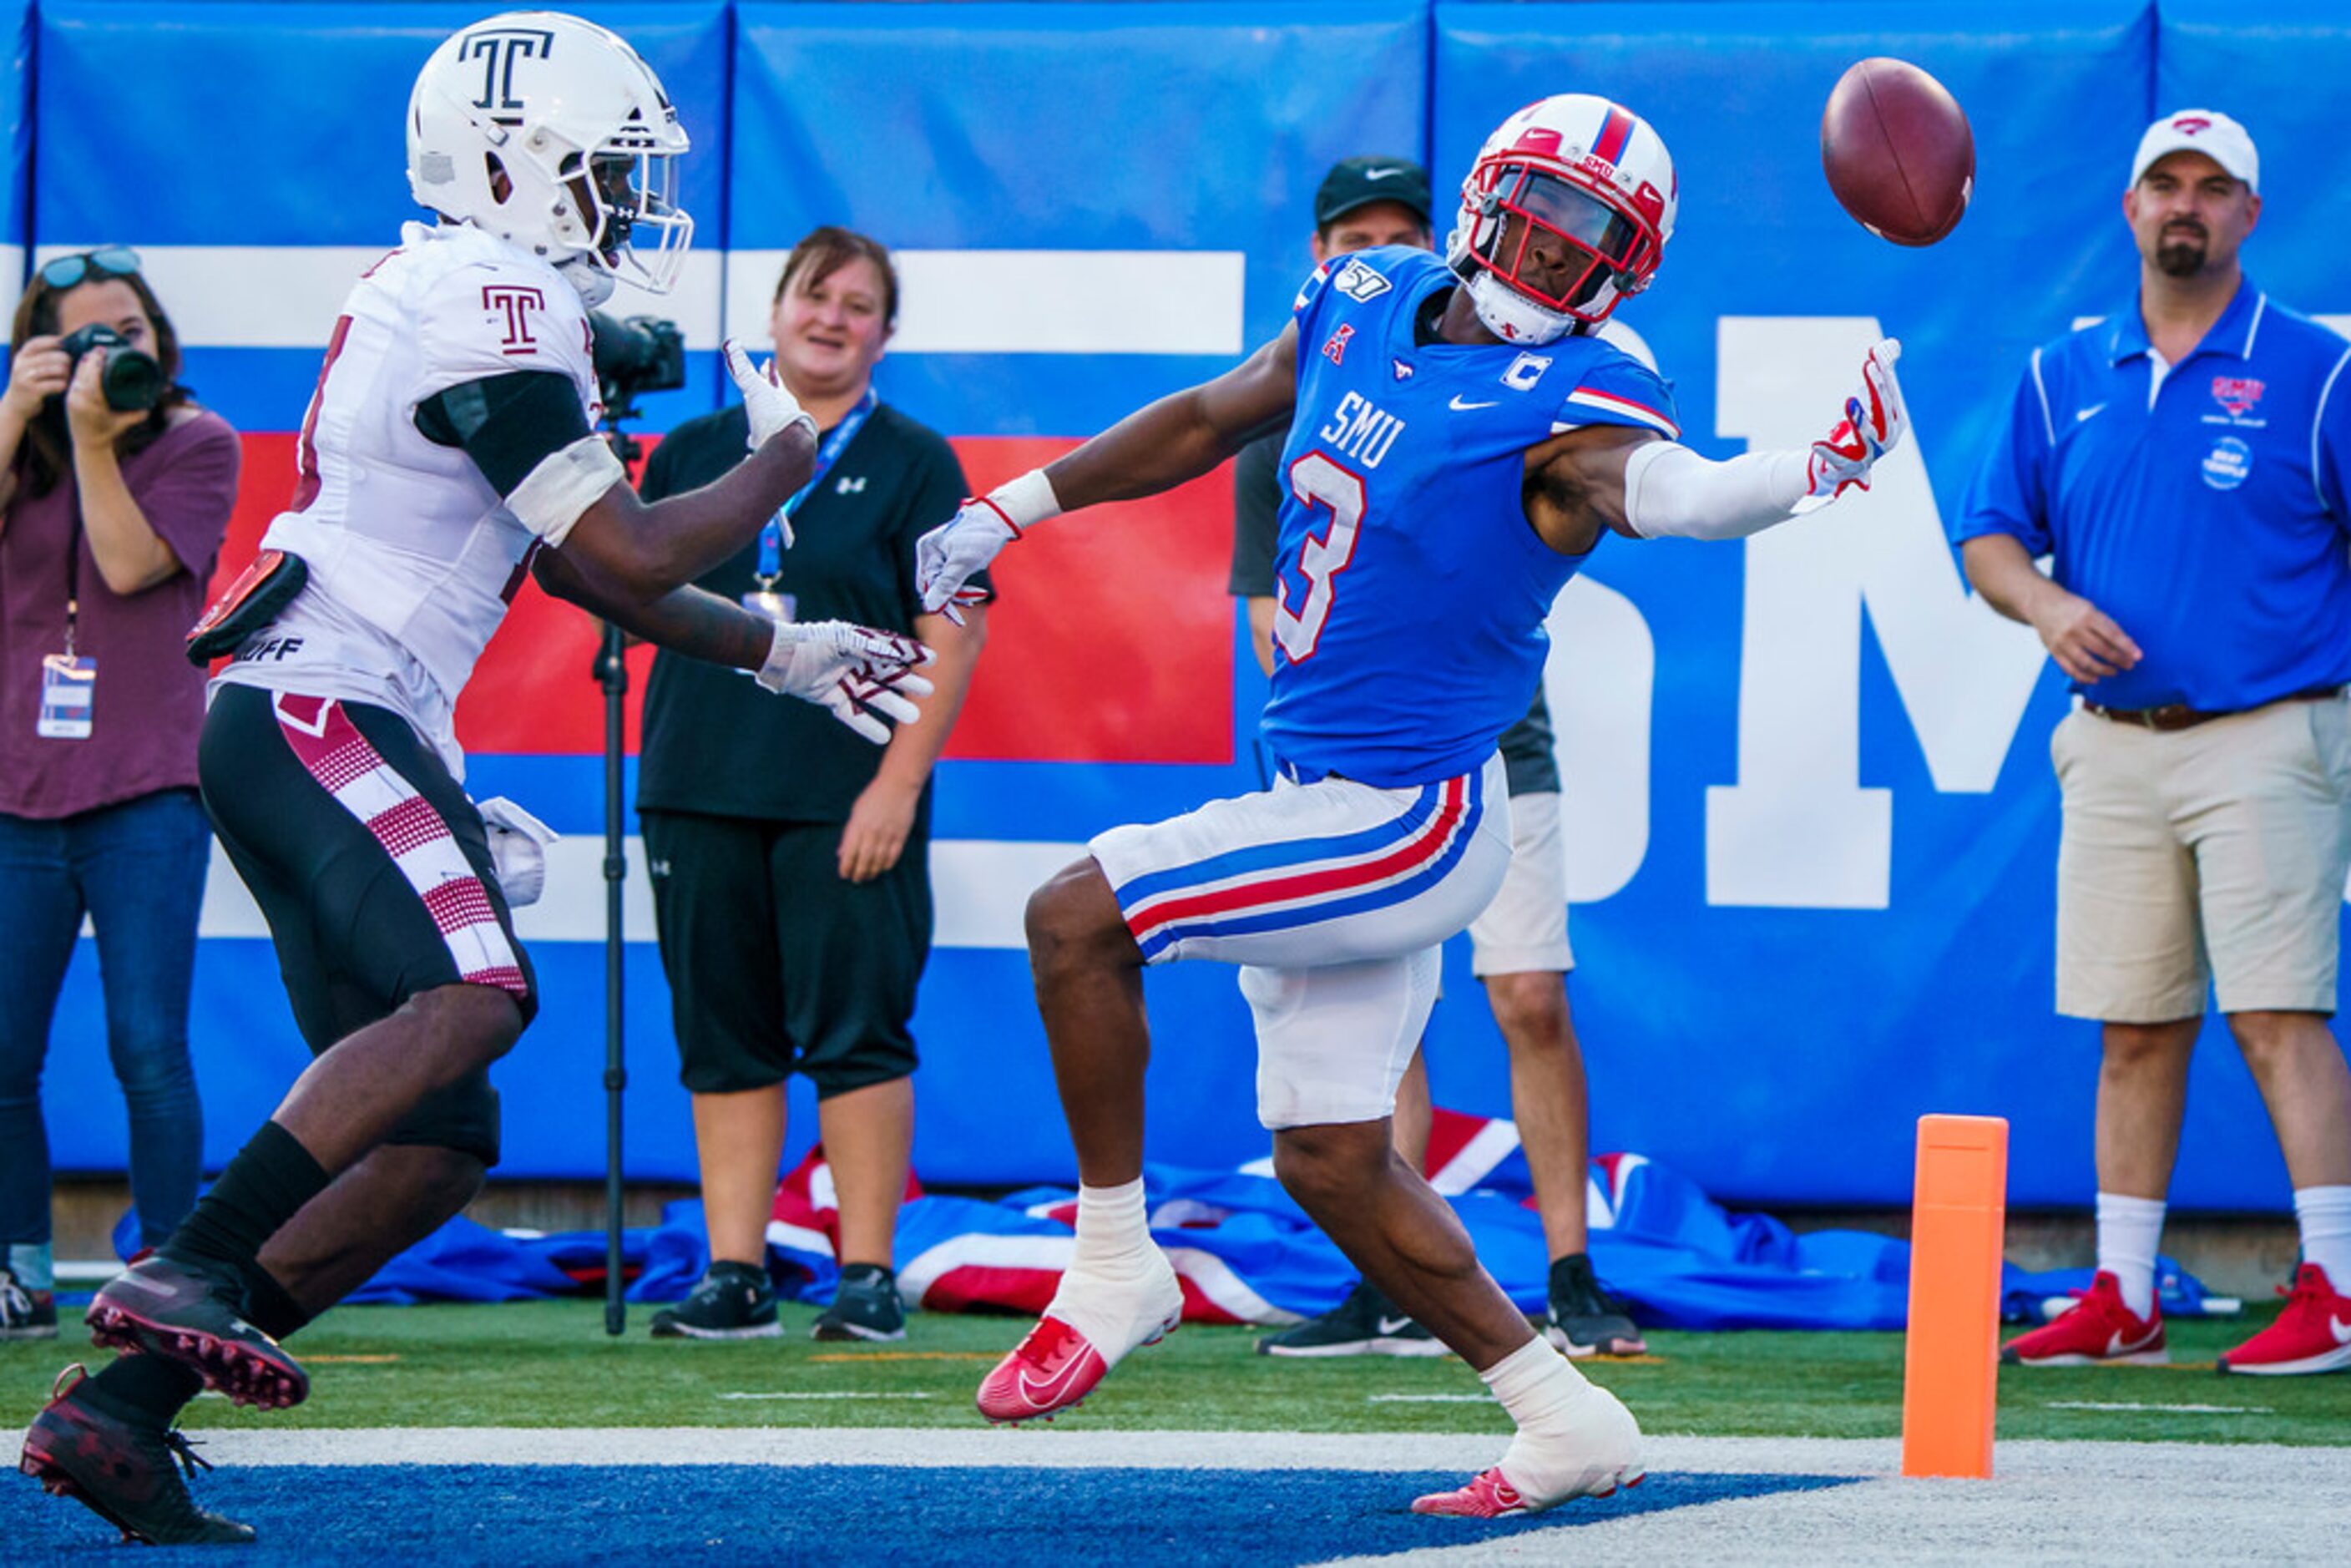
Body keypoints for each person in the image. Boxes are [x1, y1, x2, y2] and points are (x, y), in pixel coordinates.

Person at [918, 94, 1908, 1514]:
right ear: (1489, 196)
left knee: (1076, 915)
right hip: (1324, 785)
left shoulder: (1581, 399)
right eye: (1546, 214)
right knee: (1327, 1155)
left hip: (1410, 815)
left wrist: (1802, 475)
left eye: (1594, 241)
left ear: (1627, 274)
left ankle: (1114, 1261)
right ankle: (1565, 1417)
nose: (1556, 254)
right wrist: (1011, 507)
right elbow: (1209, 414)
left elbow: (1675, 493)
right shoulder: (1366, 286)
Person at [21, 12, 932, 1546]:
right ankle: (183, 1266)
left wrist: (784, 653)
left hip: (317, 709)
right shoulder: (487, 288)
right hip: (325, 701)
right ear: (515, 164)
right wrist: (783, 453)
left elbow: (615, 583)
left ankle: (113, 1416)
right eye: (609, 172)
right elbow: (632, 548)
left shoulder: (479, 289)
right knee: (476, 989)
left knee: (441, 1142)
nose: (635, 205)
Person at [1959, 109, 2351, 1378]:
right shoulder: (2062, 371)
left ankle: (2336, 1284)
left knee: (2278, 1011)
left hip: (2269, 732)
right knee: (2132, 1022)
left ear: (2251, 212)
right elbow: (1989, 539)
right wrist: (2048, 603)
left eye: (2212, 187)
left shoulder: (2315, 371)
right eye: (2164, 185)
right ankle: (2122, 1291)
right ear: (2129, 209)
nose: (2185, 206)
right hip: (2114, 745)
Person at [1232, 156, 1642, 1363]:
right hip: (1355, 758)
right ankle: (1388, 1272)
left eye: (1394, 230)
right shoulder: (1302, 397)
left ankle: (1569, 1268)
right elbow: (1268, 622)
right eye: (1349, 233)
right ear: (1321, 256)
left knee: (1527, 991)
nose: (1369, 250)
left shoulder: (1527, 387)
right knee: (1379, 1025)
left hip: (1491, 740)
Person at [638, 227, 988, 1344]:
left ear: (887, 333)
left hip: (848, 792)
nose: (832, 317)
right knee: (722, 1034)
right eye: (814, 295)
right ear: (774, 310)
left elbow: (952, 633)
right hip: (697, 780)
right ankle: (735, 1274)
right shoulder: (689, 452)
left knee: (858, 1030)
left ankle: (867, 1274)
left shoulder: (919, 461)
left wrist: (898, 782)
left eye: (859, 303)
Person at [0, 251, 240, 1343]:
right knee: (4, 1054)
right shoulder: (23, 445)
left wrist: (96, 437)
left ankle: (169, 1269)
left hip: (147, 788)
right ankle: (19, 1267)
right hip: (16, 791)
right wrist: (20, 407)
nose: (113, 353)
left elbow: (132, 564)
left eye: (130, 332)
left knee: (148, 1043)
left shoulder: (198, 442)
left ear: (163, 340)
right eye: (85, 337)